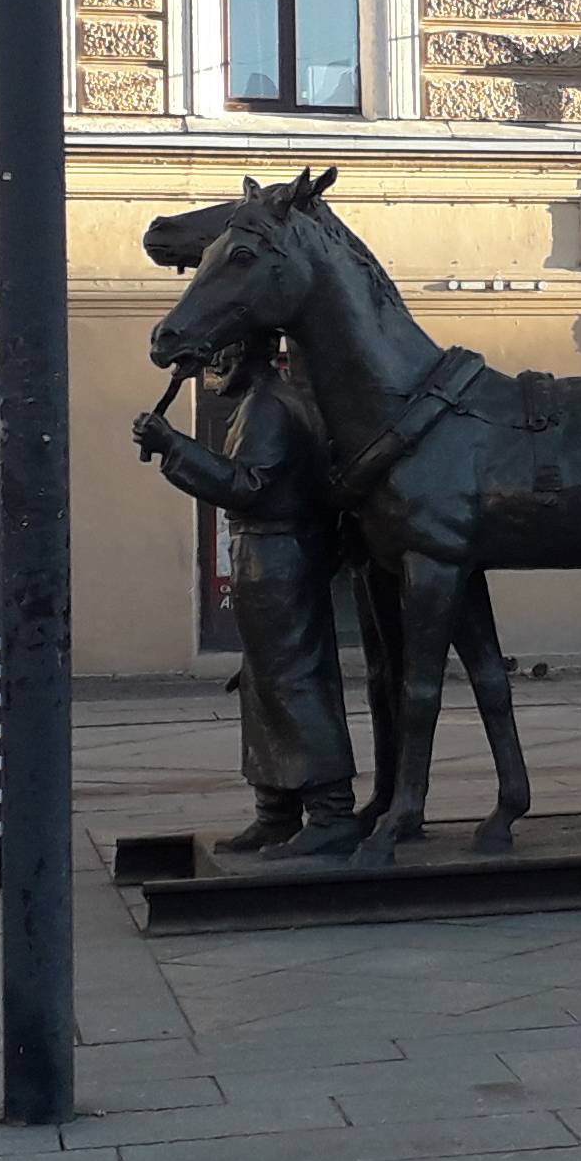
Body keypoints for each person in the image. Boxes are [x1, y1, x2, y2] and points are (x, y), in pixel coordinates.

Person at [134, 352, 362, 858]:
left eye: (223, 349)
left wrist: (173, 445)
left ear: (247, 348)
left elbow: (248, 485)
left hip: (279, 552)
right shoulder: (263, 402)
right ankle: (277, 812)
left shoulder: (270, 406)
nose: (212, 363)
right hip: (268, 553)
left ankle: (331, 812)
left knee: (292, 680)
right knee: (263, 682)